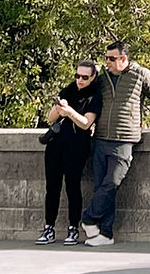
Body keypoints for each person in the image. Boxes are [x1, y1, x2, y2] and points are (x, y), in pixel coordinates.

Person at [80, 40, 150, 247]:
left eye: (112, 59)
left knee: (112, 183)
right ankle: (105, 234)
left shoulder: (141, 74)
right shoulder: (102, 78)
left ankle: (89, 218)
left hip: (124, 139)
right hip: (101, 137)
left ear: (124, 59)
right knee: (102, 187)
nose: (108, 62)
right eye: (106, 58)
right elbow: (85, 95)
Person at [33, 60, 101, 246]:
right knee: (52, 187)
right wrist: (59, 109)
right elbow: (51, 118)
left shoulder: (95, 96)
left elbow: (86, 123)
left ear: (93, 77)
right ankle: (49, 227)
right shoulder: (68, 90)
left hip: (77, 145)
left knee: (72, 186)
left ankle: (73, 228)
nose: (80, 80)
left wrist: (69, 111)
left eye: (85, 77)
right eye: (77, 76)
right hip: (56, 143)